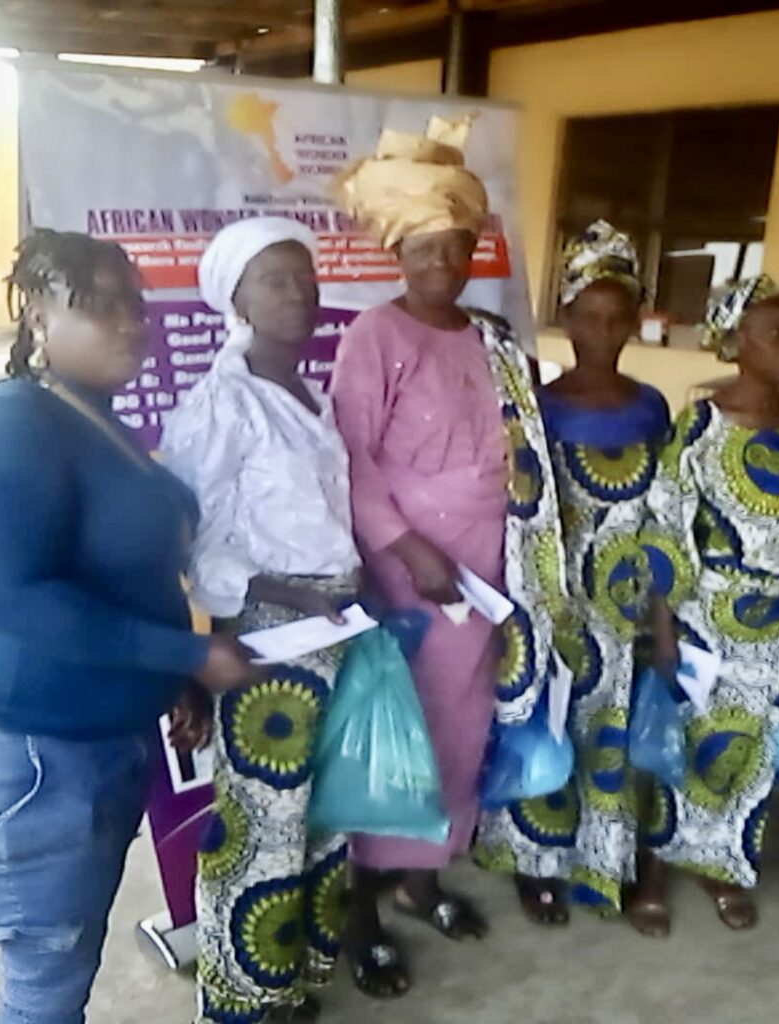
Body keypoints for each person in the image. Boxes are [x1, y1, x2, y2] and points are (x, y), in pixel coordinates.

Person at [330, 115, 568, 997]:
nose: (441, 263)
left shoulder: (492, 340)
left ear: (474, 253)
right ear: (398, 254)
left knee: (463, 736)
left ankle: (422, 883)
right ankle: (362, 915)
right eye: (424, 248)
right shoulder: (374, 337)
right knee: (393, 743)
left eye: (455, 248)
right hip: (408, 573)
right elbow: (350, 460)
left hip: (487, 574)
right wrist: (407, 548)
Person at [0, 230, 257, 1024]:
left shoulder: (94, 419)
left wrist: (174, 677)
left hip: (106, 740)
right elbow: (16, 597)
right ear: (39, 318)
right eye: (100, 306)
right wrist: (188, 652)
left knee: (69, 953)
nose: (129, 323)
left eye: (136, 306)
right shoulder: (20, 425)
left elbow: (125, 574)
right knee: (46, 975)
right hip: (46, 756)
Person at [159, 217, 364, 1023]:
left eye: (306, 279)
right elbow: (196, 541)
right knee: (262, 825)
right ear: (235, 300)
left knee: (321, 818)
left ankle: (290, 979)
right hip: (268, 637)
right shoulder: (220, 404)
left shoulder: (311, 394)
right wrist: (290, 593)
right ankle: (239, 1000)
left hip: (333, 628)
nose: (299, 294)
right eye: (275, 281)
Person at [473, 220, 673, 934]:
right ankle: (535, 864)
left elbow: (665, 512)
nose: (604, 332)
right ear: (567, 319)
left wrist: (660, 610)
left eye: (618, 318)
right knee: (549, 722)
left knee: (610, 730)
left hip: (625, 601)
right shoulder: (542, 408)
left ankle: (601, 861)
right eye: (589, 317)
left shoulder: (651, 406)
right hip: (557, 596)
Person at [644, 275, 779, 929]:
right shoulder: (700, 427)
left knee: (751, 748)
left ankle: (722, 865)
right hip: (708, 615)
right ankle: (654, 871)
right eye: (775, 333)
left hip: (778, 624)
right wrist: (665, 630)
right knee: (687, 740)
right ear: (735, 343)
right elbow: (666, 531)